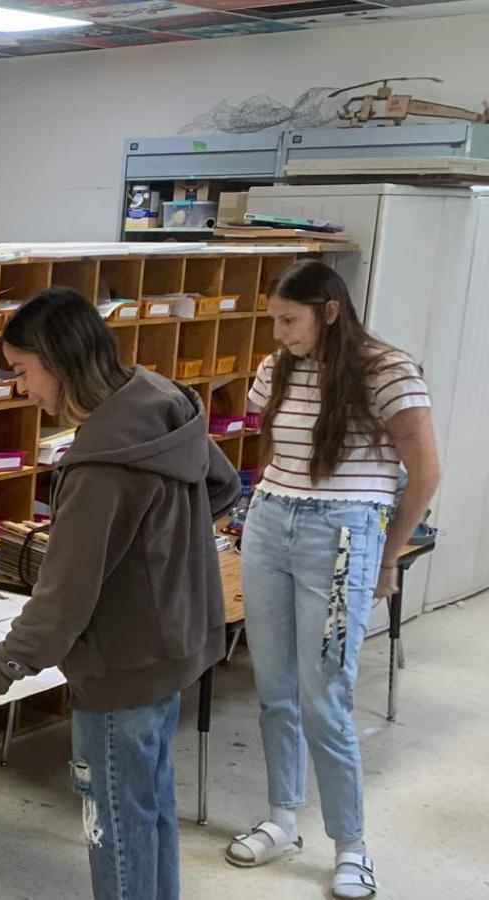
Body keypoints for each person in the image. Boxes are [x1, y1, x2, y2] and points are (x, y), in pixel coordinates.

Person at [0, 288, 240, 900]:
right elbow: (223, 485)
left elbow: (64, 598)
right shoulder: (160, 399)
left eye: (22, 371)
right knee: (150, 810)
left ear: (57, 359)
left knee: (117, 830)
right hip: (174, 644)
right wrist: (156, 557)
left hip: (120, 664)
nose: (20, 388)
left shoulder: (100, 464)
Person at [224, 260, 439, 900]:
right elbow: (274, 451)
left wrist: (389, 554)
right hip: (268, 523)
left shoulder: (387, 371)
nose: (280, 332)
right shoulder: (277, 367)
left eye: (290, 320)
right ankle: (283, 819)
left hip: (344, 532)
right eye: (274, 320)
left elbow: (424, 476)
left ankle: (352, 846)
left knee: (327, 700)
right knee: (276, 690)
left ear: (331, 311)